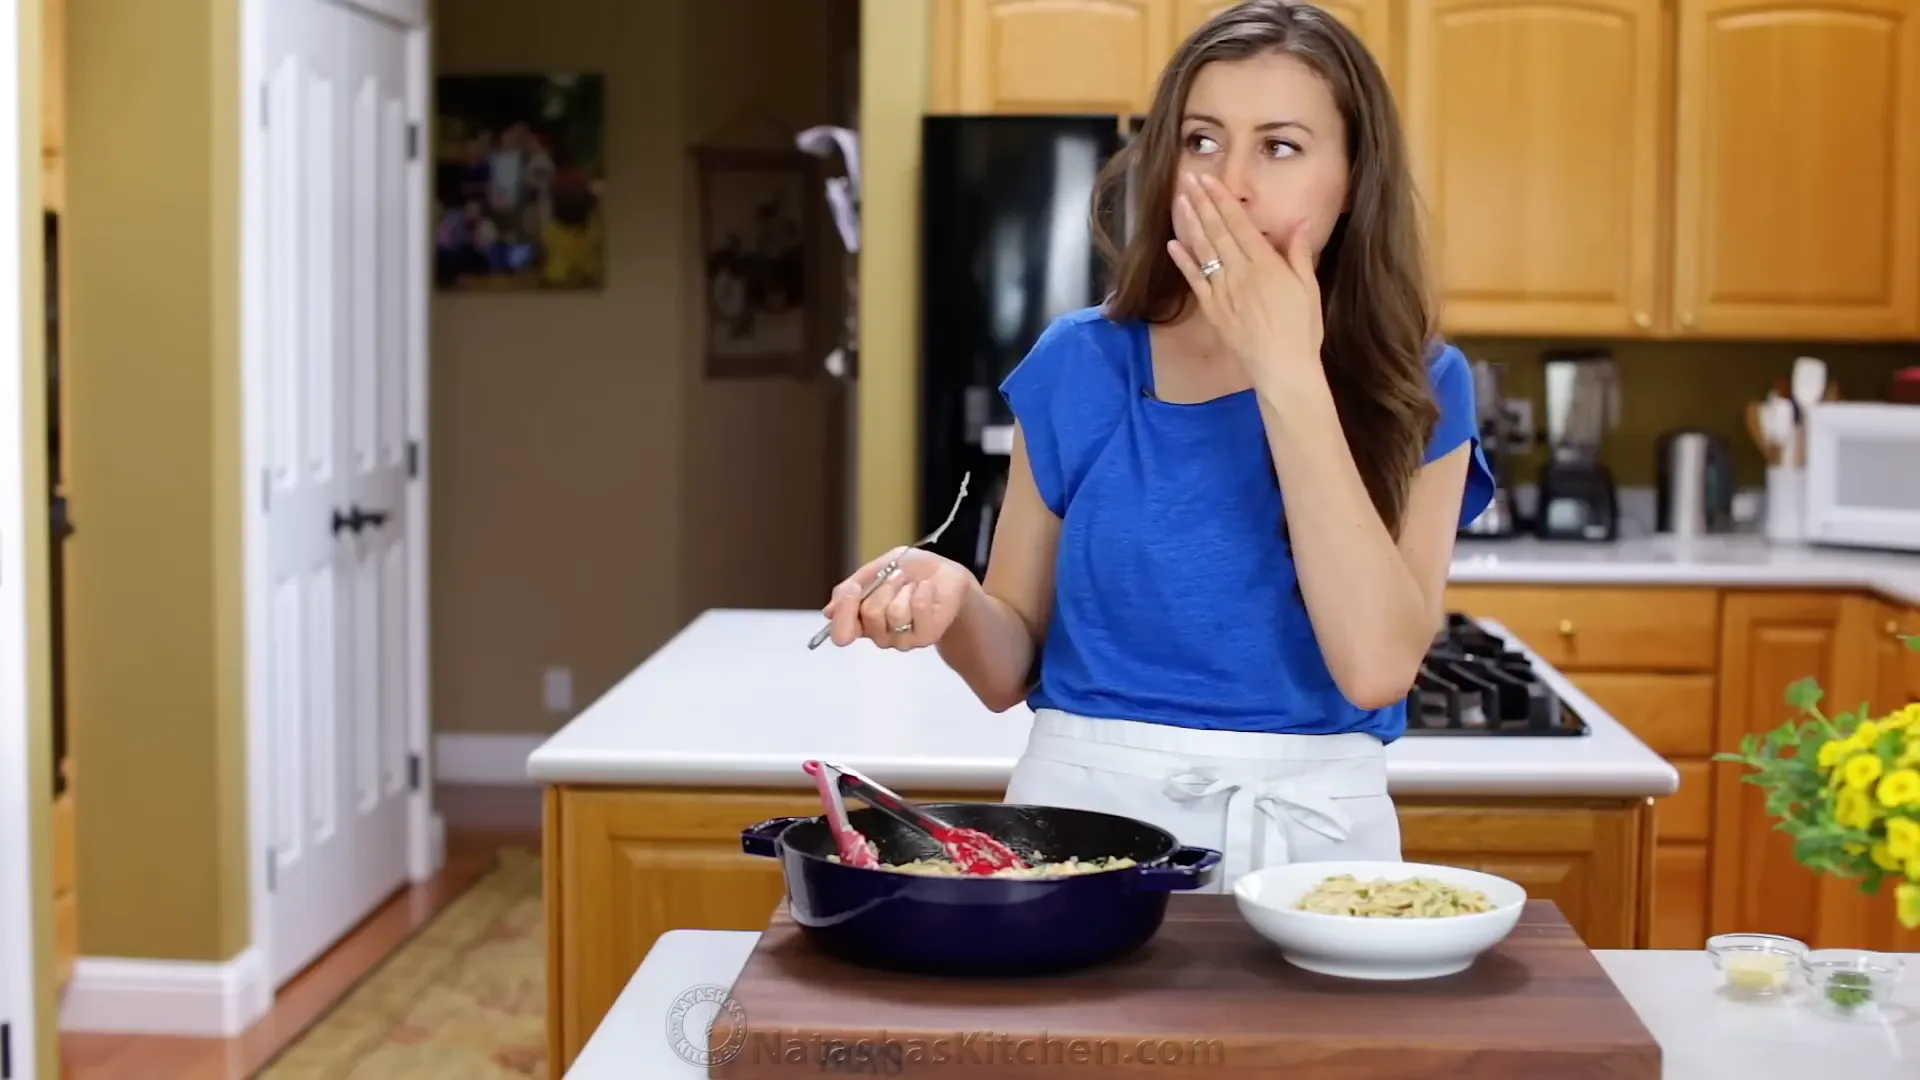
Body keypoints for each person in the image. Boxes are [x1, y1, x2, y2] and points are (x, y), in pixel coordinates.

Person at [819, 0, 1494, 893]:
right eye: (1203, 141)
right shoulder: (1079, 363)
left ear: (1353, 174)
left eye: (1281, 147)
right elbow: (1009, 662)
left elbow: (1375, 669)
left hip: (1317, 852)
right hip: (1083, 830)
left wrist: (1285, 367)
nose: (1232, 183)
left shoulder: (1422, 384)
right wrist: (954, 602)